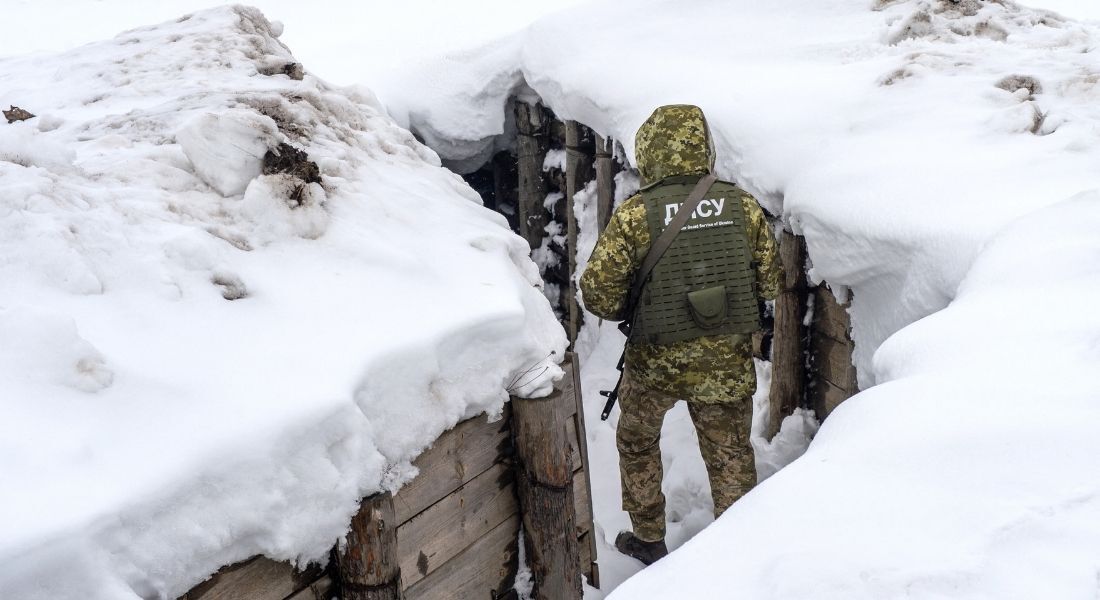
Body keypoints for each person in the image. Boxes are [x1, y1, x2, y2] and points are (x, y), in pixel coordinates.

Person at [580, 104, 782, 565]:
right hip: (726, 361)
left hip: (655, 363)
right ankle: (740, 546)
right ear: (703, 148)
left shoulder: (635, 216)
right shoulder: (742, 206)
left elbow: (597, 294)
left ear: (649, 152)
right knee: (729, 452)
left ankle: (649, 538)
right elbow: (771, 284)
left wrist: (637, 306)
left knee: (636, 442)